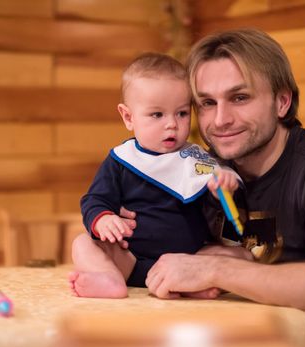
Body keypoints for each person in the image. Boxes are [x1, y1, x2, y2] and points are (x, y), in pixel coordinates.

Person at [138, 29, 305, 347]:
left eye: (240, 98)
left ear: (282, 102)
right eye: (207, 103)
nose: (220, 119)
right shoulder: (205, 172)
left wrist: (217, 269)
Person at [68, 52, 242, 299]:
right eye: (157, 115)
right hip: (130, 258)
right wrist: (103, 219)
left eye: (181, 113)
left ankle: (191, 285)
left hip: (188, 262)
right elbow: (94, 200)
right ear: (128, 117)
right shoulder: (121, 160)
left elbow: (215, 216)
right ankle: (109, 279)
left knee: (240, 257)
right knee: (82, 243)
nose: (172, 124)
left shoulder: (196, 159)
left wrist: (220, 191)